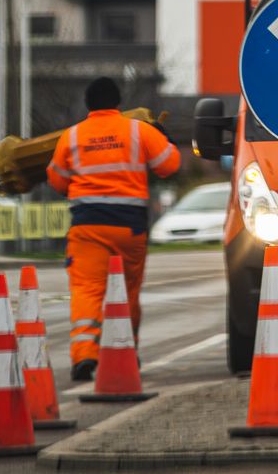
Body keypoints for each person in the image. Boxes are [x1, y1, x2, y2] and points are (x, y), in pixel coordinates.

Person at [46, 77, 180, 380]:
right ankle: (126, 350)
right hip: (129, 227)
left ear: (88, 105)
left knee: (87, 289)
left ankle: (84, 355)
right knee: (128, 291)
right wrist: (164, 137)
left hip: (88, 226)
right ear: (119, 104)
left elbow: (57, 181)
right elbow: (169, 166)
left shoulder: (72, 136)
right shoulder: (137, 130)